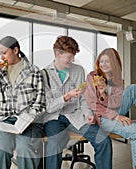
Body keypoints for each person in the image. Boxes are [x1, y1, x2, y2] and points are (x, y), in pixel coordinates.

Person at [40, 35, 112, 169]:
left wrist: (88, 113)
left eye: (73, 56)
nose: (72, 60)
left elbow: (83, 98)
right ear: (57, 54)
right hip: (53, 118)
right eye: (69, 57)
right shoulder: (43, 74)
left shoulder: (78, 70)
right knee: (55, 143)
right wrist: (66, 97)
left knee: (104, 140)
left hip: (75, 115)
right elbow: (47, 106)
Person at [0, 36, 46, 169]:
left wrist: (26, 119)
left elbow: (40, 104)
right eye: (0, 54)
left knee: (25, 149)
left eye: (4, 53)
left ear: (15, 50)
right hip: (4, 119)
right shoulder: (1, 74)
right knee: (2, 148)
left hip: (28, 120)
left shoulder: (34, 71)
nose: (1, 57)